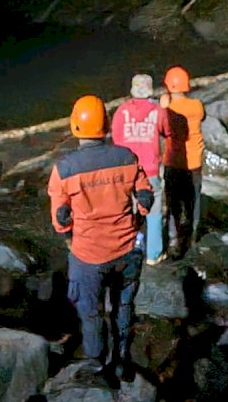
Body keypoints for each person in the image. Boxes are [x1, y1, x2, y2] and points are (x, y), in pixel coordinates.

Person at [48, 94, 153, 382]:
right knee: (123, 307)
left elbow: (60, 219)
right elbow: (145, 197)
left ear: (74, 126)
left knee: (91, 312)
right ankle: (122, 360)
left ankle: (97, 365)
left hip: (88, 256)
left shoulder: (64, 169)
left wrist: (69, 236)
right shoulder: (127, 157)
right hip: (127, 251)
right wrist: (138, 221)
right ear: (106, 126)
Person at [111, 74, 171, 266]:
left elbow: (116, 140)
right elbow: (167, 131)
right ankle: (153, 254)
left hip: (126, 170)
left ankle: (127, 249)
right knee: (154, 211)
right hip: (150, 170)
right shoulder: (158, 111)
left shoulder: (121, 111)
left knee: (127, 211)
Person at [161, 65, 206, 257]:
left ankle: (174, 240)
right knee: (193, 200)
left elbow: (161, 127)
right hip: (194, 162)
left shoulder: (166, 108)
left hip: (173, 163)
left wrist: (164, 103)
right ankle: (193, 236)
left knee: (173, 203)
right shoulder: (197, 106)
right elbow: (202, 117)